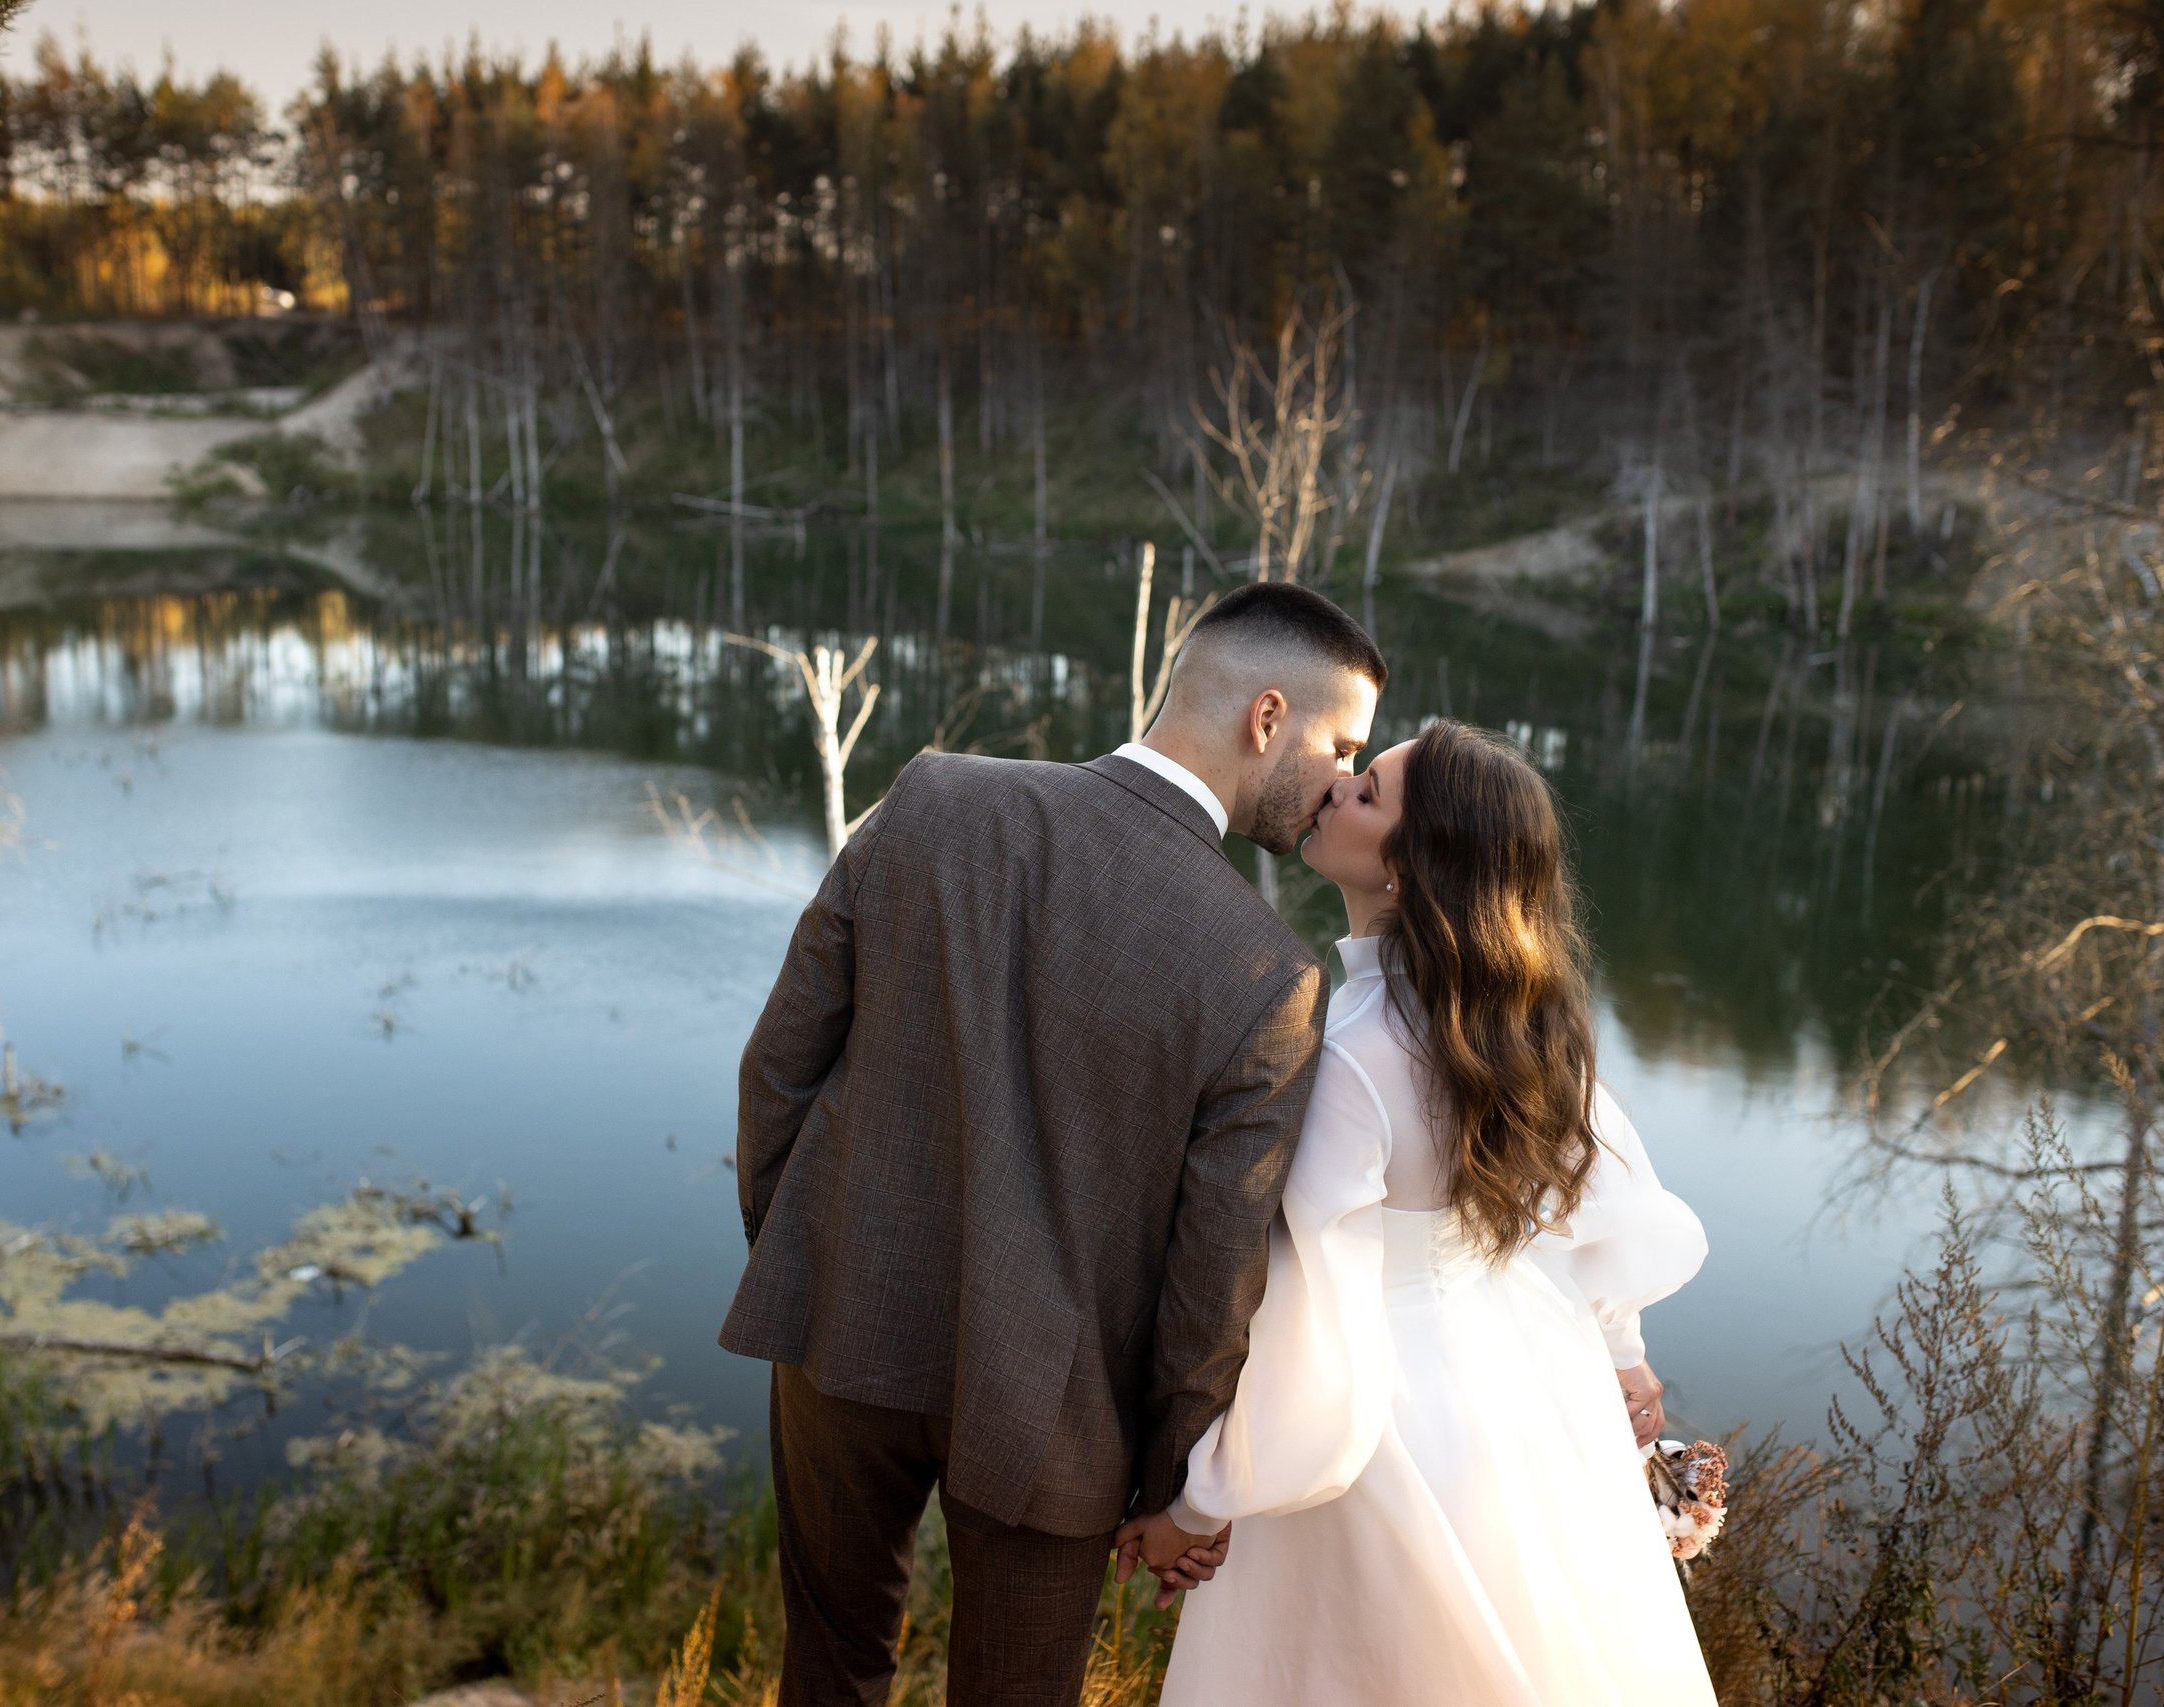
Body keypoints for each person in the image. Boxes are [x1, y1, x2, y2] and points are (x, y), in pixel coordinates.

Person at [721, 582, 1385, 1707]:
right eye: (1342, 745)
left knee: (827, 1669)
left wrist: (805, 1255)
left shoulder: (931, 798)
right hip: (1058, 1417)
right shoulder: (1268, 973)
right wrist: (1176, 1479)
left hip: (839, 1329)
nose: (1339, 783)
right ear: (1266, 719)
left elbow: (780, 1065)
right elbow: (1209, 1270)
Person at [1118, 720, 1718, 1706]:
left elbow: (1307, 1309)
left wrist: (1202, 1499)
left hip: (1379, 1422)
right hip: (1515, 1385)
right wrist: (1618, 1347)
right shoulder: (1525, 1018)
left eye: (1369, 792)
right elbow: (1595, 1197)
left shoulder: (1347, 1049)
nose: (1336, 784)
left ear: (1411, 866)